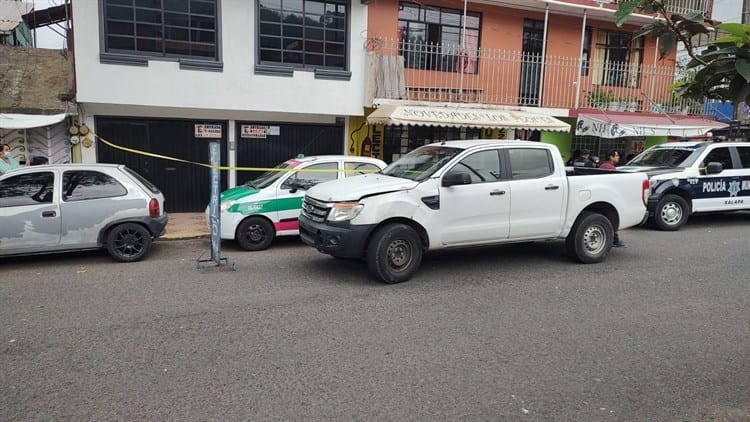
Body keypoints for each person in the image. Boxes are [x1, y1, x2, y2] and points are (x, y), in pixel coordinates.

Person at [598, 149, 626, 247]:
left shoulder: (603, 166)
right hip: (608, 198)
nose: (618, 157)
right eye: (616, 155)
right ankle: (614, 240)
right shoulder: (610, 168)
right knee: (611, 219)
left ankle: (614, 239)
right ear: (611, 157)